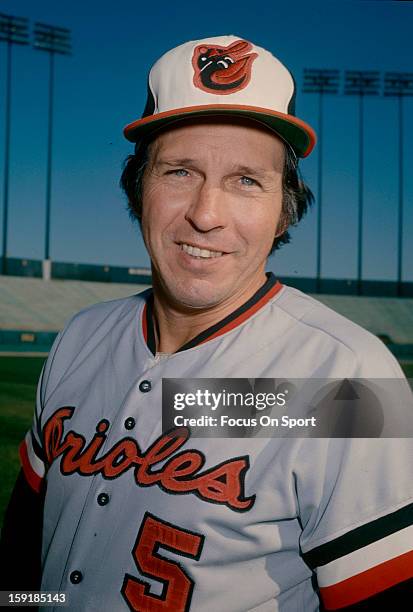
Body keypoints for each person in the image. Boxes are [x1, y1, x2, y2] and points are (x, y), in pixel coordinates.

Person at [1, 35, 413, 612]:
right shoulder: (80, 335)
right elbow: (21, 548)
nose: (206, 215)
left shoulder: (353, 375)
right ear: (138, 188)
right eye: (178, 172)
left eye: (247, 180)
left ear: (282, 211)